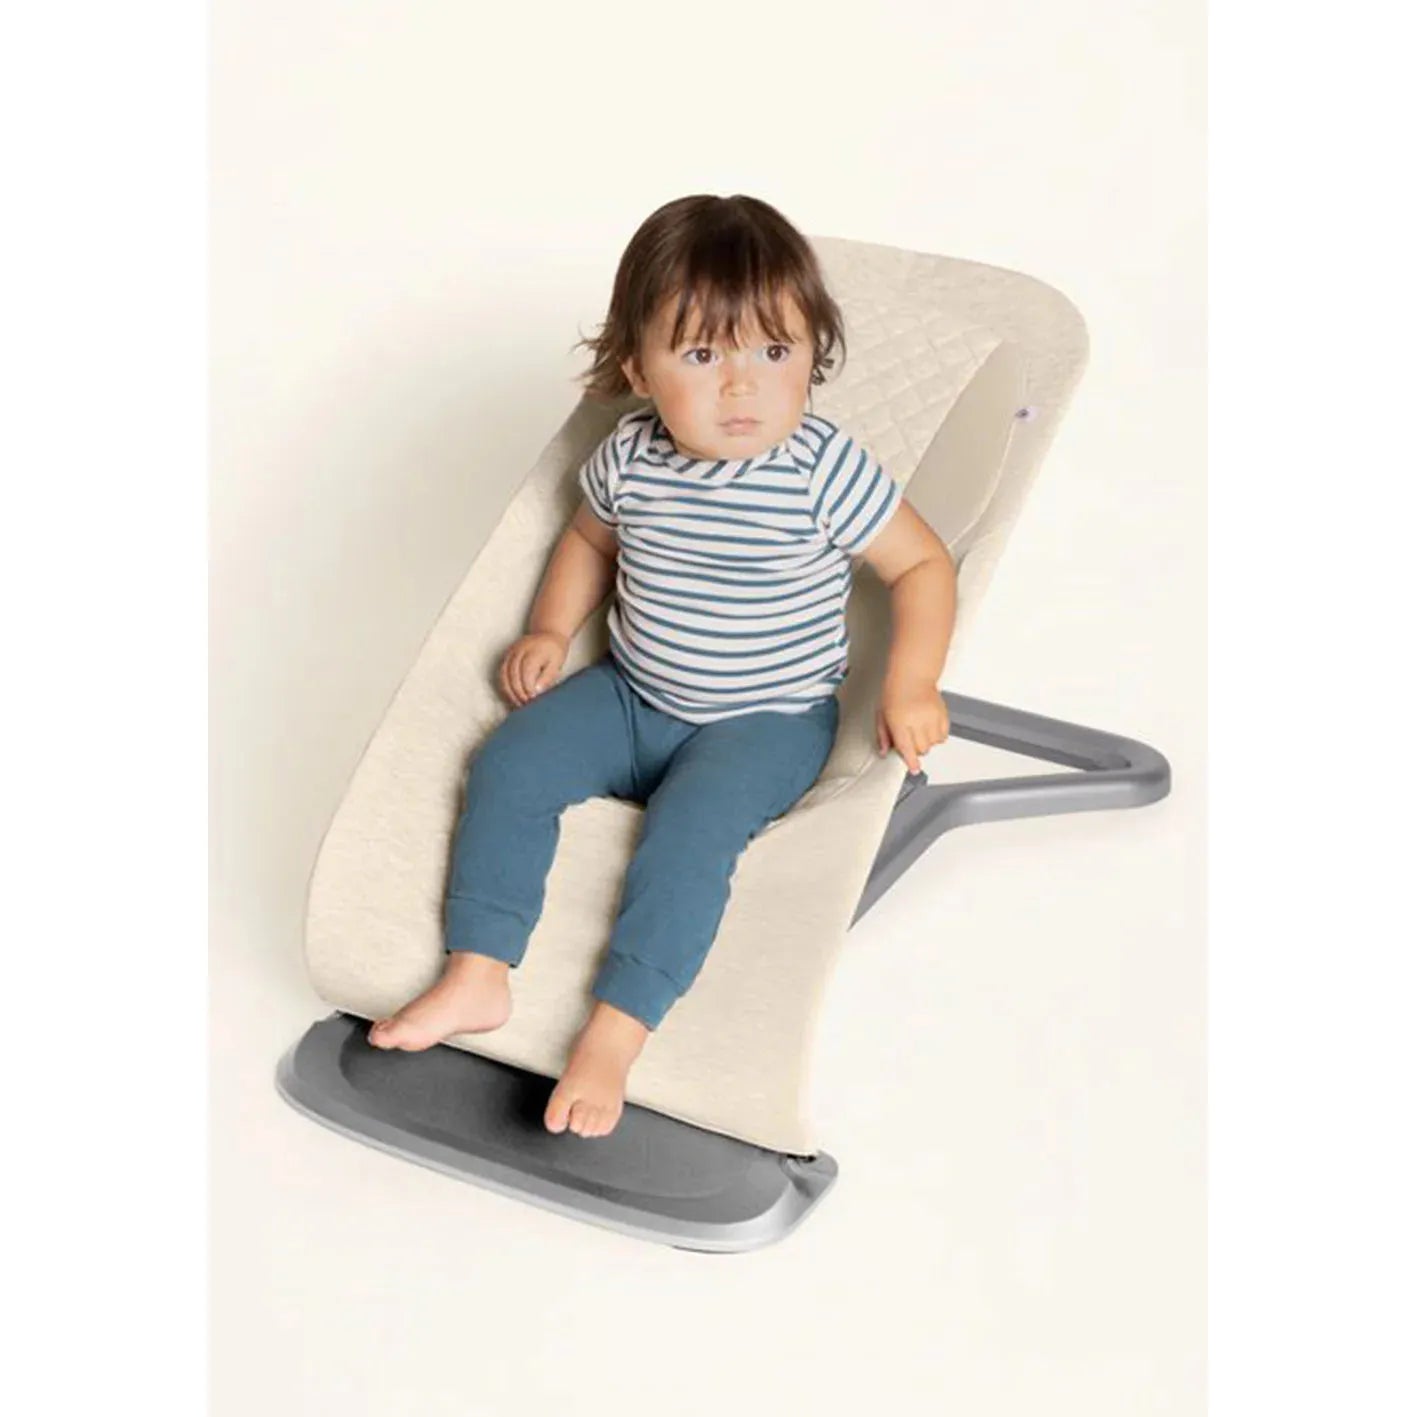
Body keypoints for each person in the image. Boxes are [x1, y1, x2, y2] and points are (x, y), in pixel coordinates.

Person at [369, 194, 956, 1139]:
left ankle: (616, 1031)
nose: (742, 386)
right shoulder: (629, 455)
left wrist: (910, 682)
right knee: (510, 761)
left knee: (689, 837)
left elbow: (921, 565)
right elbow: (588, 540)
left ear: (814, 354)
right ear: (638, 369)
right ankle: (478, 971)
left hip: (765, 721)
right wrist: (550, 630)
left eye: (775, 351)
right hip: (633, 693)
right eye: (702, 356)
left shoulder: (820, 469)